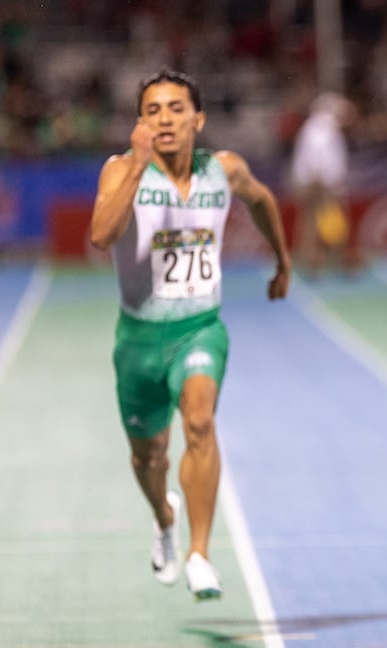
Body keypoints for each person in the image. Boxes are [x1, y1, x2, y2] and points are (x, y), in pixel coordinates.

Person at [88, 68, 291, 601]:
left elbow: (264, 200)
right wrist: (135, 162)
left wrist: (283, 261)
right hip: (137, 342)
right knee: (147, 457)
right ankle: (164, 516)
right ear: (139, 123)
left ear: (197, 119)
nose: (164, 119)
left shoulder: (224, 170)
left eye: (175, 108)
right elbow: (100, 234)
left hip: (200, 327)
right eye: (152, 110)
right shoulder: (121, 170)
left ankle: (201, 554)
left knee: (200, 421)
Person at [289, 91, 359, 275]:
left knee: (316, 221)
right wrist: (322, 182)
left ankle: (316, 260)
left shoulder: (316, 126)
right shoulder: (323, 127)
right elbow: (318, 157)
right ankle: (330, 260)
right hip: (322, 182)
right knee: (323, 220)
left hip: (317, 180)